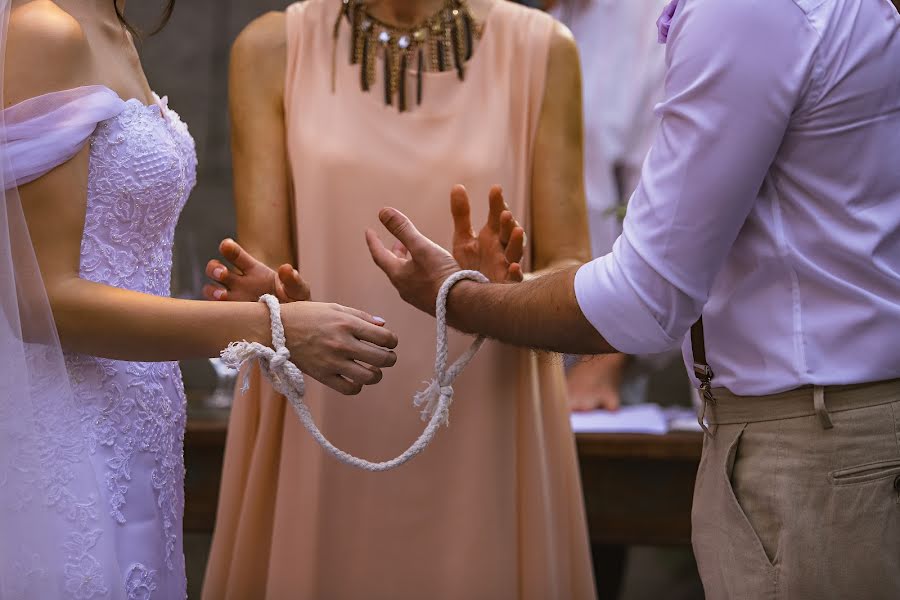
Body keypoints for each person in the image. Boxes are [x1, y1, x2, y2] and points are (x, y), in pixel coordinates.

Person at [366, 0, 900, 597]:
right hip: (835, 428)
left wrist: (458, 299)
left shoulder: (745, 9)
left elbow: (647, 298)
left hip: (816, 445)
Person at [0, 0, 397, 596]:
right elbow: (39, 302)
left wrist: (254, 305)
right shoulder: (45, 30)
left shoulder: (111, 25)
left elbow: (112, 259)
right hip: (67, 432)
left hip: (140, 427)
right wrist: (265, 325)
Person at [200, 0, 596, 597]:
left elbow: (573, 265)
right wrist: (273, 297)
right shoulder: (271, 48)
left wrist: (509, 290)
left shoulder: (544, 50)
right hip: (324, 399)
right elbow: (266, 263)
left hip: (486, 409)